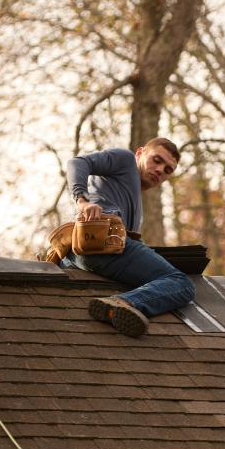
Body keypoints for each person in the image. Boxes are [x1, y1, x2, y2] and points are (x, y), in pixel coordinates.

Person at [61, 138, 196, 337]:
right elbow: (77, 162)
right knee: (181, 284)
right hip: (100, 239)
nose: (160, 170)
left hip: (76, 255)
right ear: (140, 153)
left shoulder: (133, 203)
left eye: (168, 170)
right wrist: (82, 201)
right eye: (156, 160)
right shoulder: (125, 159)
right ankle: (124, 303)